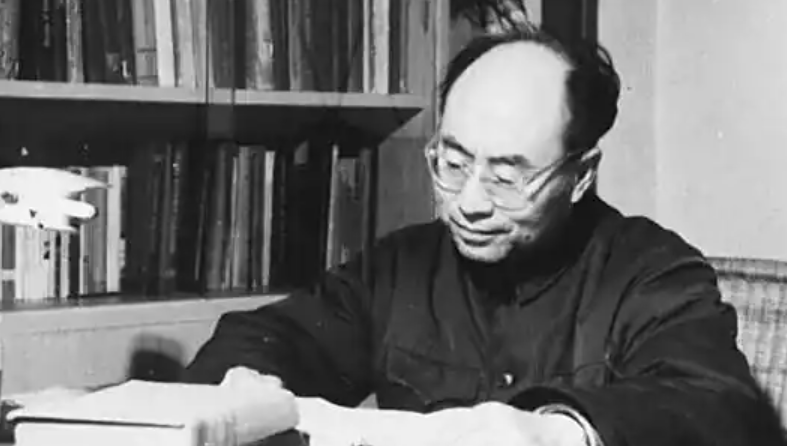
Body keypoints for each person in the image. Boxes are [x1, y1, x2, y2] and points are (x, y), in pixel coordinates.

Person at [183, 30, 786, 445]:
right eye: (452, 163)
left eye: (506, 176)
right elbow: (268, 336)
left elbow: (719, 407)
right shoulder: (402, 267)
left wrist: (558, 432)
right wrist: (246, 382)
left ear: (581, 174)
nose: (468, 203)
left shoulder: (650, 271)